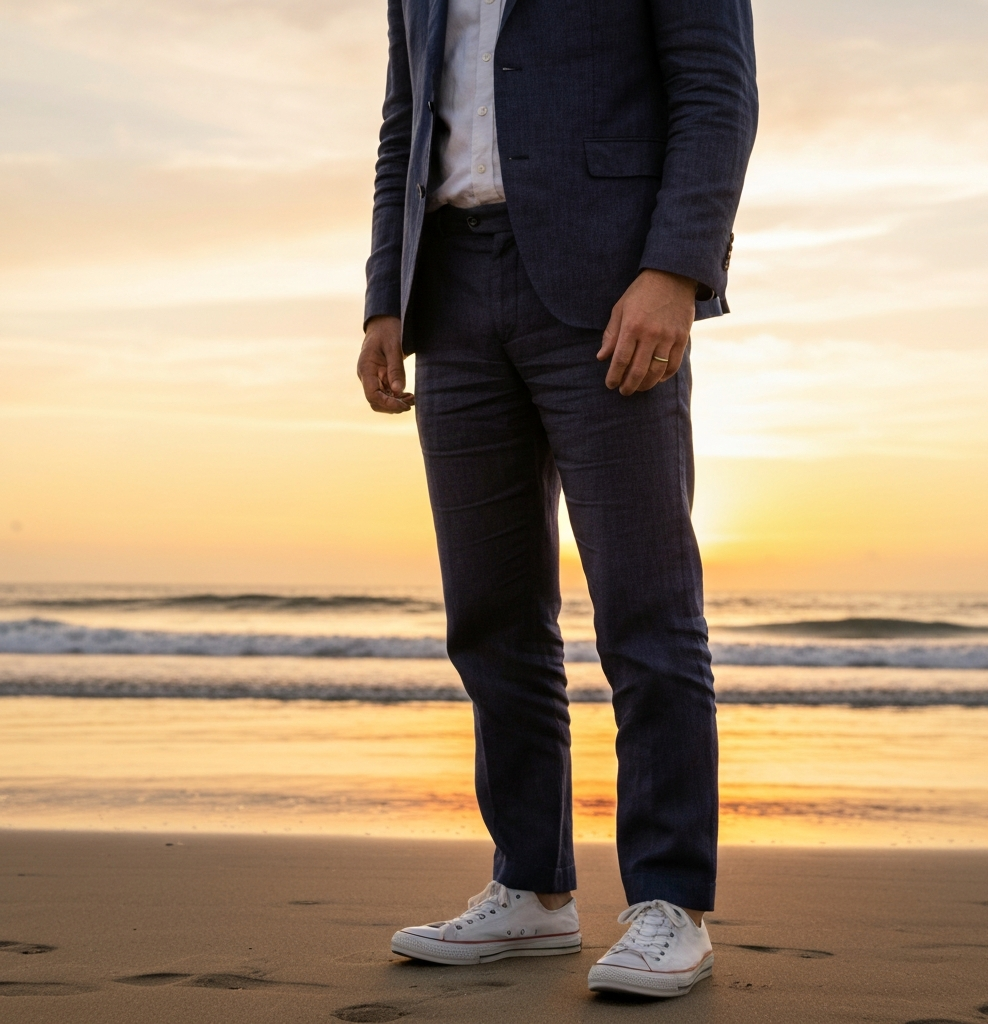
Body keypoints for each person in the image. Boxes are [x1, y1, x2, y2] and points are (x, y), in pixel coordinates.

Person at [356, 0, 757, 999]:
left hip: (611, 277)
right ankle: (531, 889)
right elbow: (405, 118)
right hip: (448, 288)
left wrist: (676, 268)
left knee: (646, 607)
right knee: (490, 614)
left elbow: (715, 90)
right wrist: (383, 295)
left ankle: (669, 902)